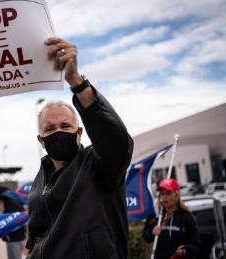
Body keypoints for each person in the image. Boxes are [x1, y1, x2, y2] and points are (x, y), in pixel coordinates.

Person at [26, 37, 134, 258]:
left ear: (79, 132)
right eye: (50, 128)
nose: (58, 131)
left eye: (66, 125)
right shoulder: (39, 181)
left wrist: (77, 82)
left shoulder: (99, 166)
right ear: (41, 140)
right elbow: (36, 235)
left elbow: (117, 141)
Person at [142, 178, 201, 259]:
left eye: (169, 193)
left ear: (176, 195)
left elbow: (196, 244)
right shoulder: (156, 216)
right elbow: (146, 237)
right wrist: (152, 231)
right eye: (162, 194)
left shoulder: (186, 216)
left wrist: (186, 250)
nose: (165, 197)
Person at [0, 186, 27, 259]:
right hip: (18, 235)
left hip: (13, 236)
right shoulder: (14, 200)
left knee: (15, 256)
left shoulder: (10, 203)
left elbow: (10, 221)